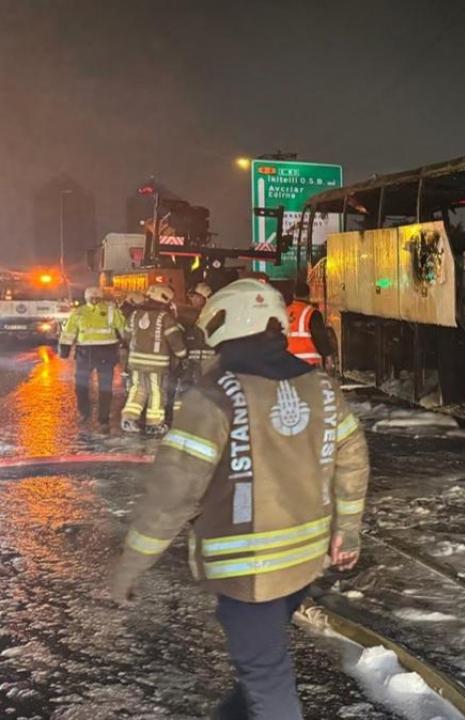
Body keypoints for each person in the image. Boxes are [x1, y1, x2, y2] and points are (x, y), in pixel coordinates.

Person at [108, 278, 369, 719]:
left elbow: (173, 495)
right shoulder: (322, 388)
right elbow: (354, 457)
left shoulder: (213, 397)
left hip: (248, 572)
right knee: (258, 671)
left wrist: (131, 565)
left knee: (268, 683)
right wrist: (346, 531)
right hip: (302, 565)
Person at [121, 283, 187, 435]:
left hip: (135, 362)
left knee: (137, 390)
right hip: (157, 364)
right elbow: (175, 341)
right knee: (156, 392)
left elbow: (126, 336)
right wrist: (183, 355)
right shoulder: (165, 318)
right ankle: (154, 424)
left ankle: (129, 419)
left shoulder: (134, 314)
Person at [58, 287, 126, 426]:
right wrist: (64, 349)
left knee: (96, 387)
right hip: (98, 353)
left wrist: (64, 350)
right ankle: (93, 415)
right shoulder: (83, 312)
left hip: (93, 353)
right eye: (92, 298)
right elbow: (123, 329)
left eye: (96, 298)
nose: (94, 300)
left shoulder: (83, 312)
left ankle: (99, 417)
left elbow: (123, 328)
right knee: (92, 386)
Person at [171, 282, 216, 416]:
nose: (192, 299)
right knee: (186, 388)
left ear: (205, 298)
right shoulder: (191, 315)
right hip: (192, 361)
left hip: (205, 363)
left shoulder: (211, 315)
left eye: (196, 296)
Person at [280, 280, 333, 366]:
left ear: (294, 295)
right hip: (307, 363)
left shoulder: (285, 311)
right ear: (309, 295)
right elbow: (320, 336)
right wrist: (328, 355)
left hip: (287, 362)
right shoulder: (312, 313)